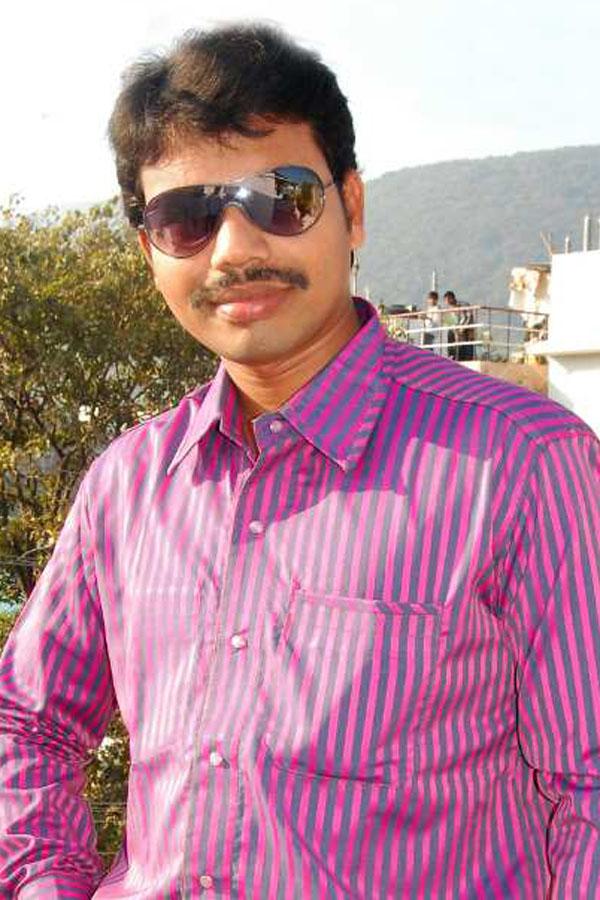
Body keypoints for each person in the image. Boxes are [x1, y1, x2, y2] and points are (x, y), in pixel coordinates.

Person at [0, 24, 599, 899]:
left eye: (280, 199)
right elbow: (26, 722)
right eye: (187, 218)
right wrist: (45, 882)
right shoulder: (127, 486)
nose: (235, 249)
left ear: (351, 207)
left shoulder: (521, 465)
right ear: (149, 249)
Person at [444, 289, 475, 360]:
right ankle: (452, 355)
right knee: (450, 333)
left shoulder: (463, 305)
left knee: (467, 344)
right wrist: (455, 330)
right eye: (446, 300)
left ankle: (466, 358)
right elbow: (449, 322)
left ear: (452, 298)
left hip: (467, 329)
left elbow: (469, 317)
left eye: (448, 300)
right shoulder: (448, 310)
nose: (447, 302)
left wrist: (462, 328)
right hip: (457, 330)